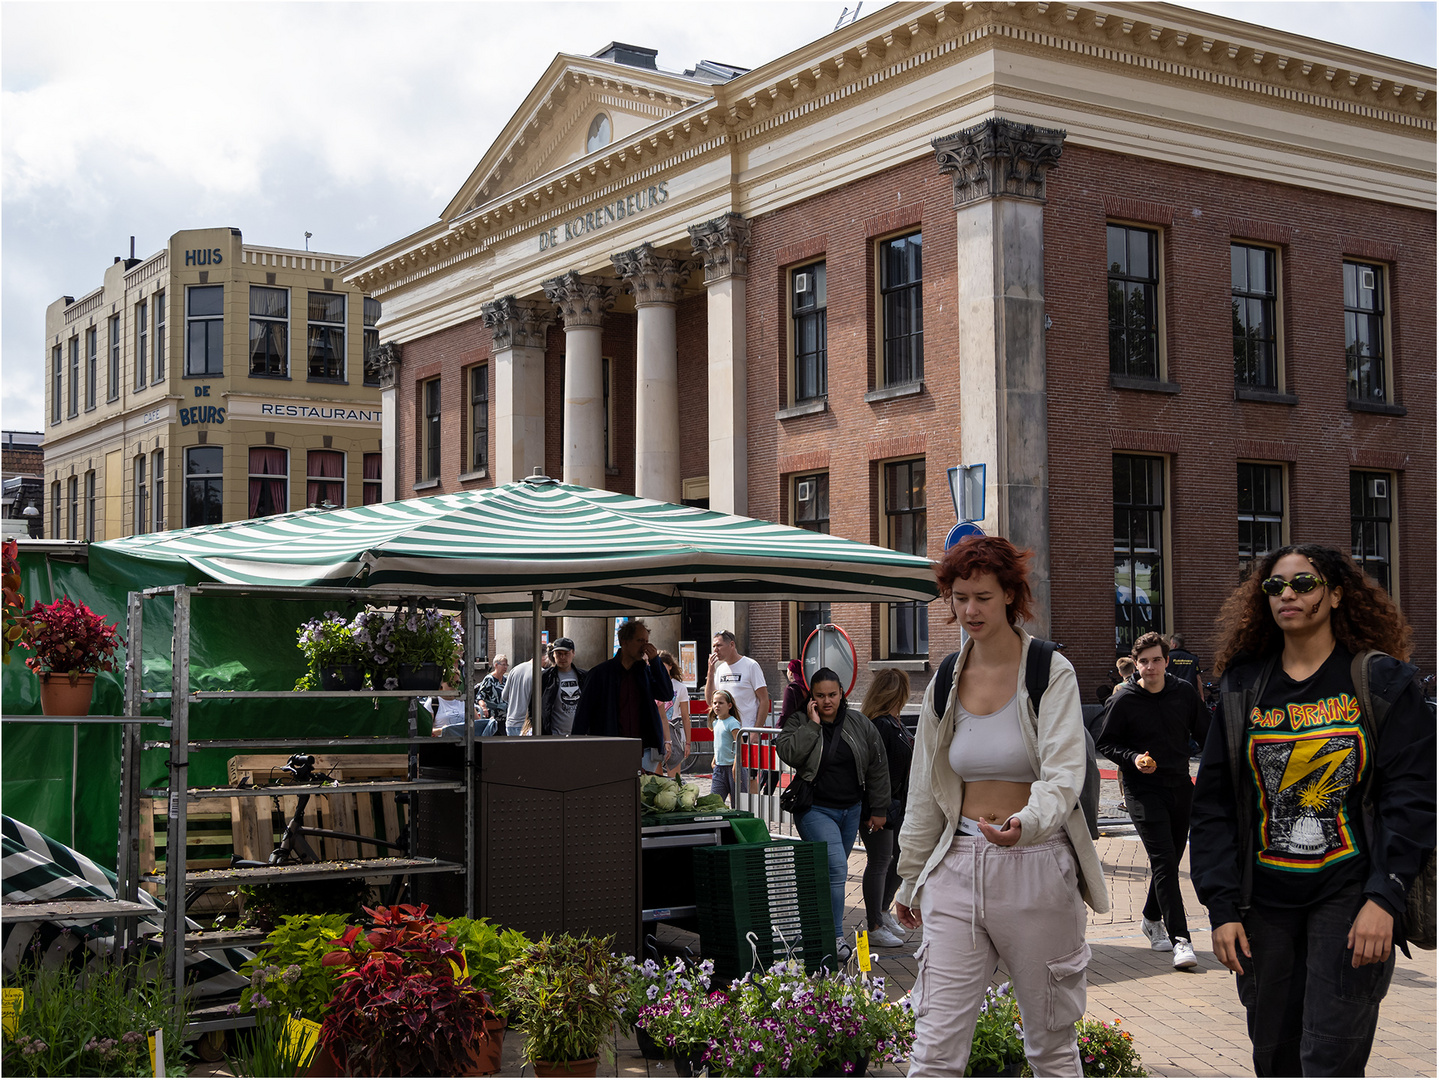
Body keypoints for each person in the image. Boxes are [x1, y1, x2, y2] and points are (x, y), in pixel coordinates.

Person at [1189, 544, 1434, 1077]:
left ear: (1337, 593)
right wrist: (1222, 908)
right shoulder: (1241, 688)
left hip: (1349, 901)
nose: (1288, 595)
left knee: (1329, 1061)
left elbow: (1412, 798)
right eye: (1275, 587)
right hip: (1262, 907)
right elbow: (1212, 808)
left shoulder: (1382, 683)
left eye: (1304, 583)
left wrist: (1384, 898)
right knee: (1274, 1060)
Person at [894, 535, 1108, 1077]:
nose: (970, 609)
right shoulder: (944, 678)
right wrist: (909, 876)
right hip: (957, 865)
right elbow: (925, 790)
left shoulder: (1048, 670)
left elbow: (1064, 773)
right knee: (933, 1047)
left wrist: (1026, 823)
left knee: (1051, 1044)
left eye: (983, 597)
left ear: (1011, 595)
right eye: (960, 597)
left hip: (1036, 867)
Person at [1096, 631, 1210, 969]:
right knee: (1163, 860)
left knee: (1171, 861)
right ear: (1135, 663)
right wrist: (1132, 758)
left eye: (1156, 660)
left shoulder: (1184, 693)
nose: (1150, 667)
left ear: (1166, 660)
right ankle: (1181, 940)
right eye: (1143, 661)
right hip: (1142, 790)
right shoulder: (1124, 699)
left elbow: (1208, 732)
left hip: (1179, 785)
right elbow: (1106, 742)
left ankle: (1150, 917)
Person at [777, 666, 890, 964]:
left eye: (832, 694)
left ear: (843, 693)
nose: (827, 701)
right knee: (839, 868)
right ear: (811, 697)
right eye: (820, 696)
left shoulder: (859, 723)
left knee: (829, 874)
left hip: (850, 810)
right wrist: (813, 726)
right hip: (815, 809)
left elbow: (877, 766)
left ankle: (813, 928)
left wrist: (879, 809)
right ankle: (835, 936)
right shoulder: (799, 721)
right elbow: (788, 752)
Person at [858, 668, 914, 949]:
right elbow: (877, 771)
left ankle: (881, 910)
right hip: (882, 806)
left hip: (895, 803)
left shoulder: (894, 723)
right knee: (881, 860)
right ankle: (874, 924)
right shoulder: (882, 724)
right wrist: (877, 808)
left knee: (899, 857)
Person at [572, 619, 673, 769]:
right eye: (640, 640)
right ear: (623, 641)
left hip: (643, 749)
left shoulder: (645, 672)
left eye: (646, 641)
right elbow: (583, 714)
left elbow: (666, 694)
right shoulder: (600, 674)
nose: (645, 646)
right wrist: (576, 749)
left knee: (643, 791)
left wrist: (656, 662)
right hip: (610, 750)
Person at [705, 630, 772, 791]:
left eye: (719, 645)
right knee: (729, 780)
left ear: (732, 645)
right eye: (714, 646)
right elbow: (710, 701)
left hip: (747, 732)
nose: (716, 650)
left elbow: (764, 700)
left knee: (749, 778)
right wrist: (710, 672)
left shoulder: (750, 665)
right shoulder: (720, 670)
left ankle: (754, 813)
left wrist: (756, 730)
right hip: (726, 736)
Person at [540, 637, 587, 737]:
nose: (562, 657)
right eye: (559, 654)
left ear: (573, 653)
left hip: (579, 736)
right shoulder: (545, 677)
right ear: (553, 654)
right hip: (554, 736)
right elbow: (535, 706)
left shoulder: (584, 677)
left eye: (566, 654)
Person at [501, 648, 552, 736]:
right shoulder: (542, 673)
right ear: (544, 657)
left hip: (511, 722)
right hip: (528, 725)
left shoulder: (514, 670)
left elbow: (504, 696)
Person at [656, 651, 691, 779]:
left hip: (673, 728)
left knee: (674, 777)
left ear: (670, 666)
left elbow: (686, 717)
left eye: (663, 665)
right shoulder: (652, 683)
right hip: (657, 728)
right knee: (656, 775)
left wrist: (688, 742)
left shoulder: (680, 687)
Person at [708, 689, 742, 807]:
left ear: (729, 705)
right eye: (715, 703)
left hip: (733, 767)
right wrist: (714, 759)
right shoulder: (715, 723)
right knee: (714, 802)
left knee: (737, 803)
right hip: (719, 768)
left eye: (721, 703)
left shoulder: (732, 723)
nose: (717, 706)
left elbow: (740, 744)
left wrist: (735, 765)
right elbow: (719, 743)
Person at [477, 654, 509, 728]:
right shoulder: (489, 679)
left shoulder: (506, 680)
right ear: (496, 665)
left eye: (506, 665)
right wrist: (483, 707)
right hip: (493, 716)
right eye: (503, 665)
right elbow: (480, 697)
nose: (506, 667)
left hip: (506, 717)